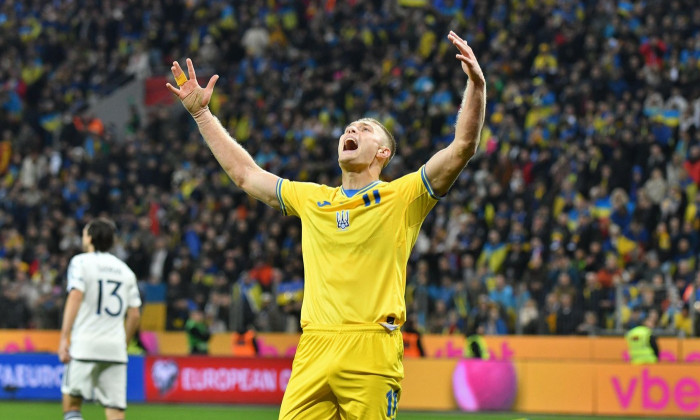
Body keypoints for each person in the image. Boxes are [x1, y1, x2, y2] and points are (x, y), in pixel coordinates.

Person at [166, 30, 485, 419]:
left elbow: (462, 148)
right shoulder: (312, 198)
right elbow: (246, 176)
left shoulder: (402, 197)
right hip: (314, 345)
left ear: (382, 153)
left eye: (364, 129)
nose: (351, 131)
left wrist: (476, 87)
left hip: (371, 346)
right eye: (349, 127)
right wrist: (202, 114)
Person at [58, 218, 142, 420]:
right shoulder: (125, 271)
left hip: (85, 345)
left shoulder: (80, 262)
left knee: (72, 404)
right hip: (115, 350)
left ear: (90, 238)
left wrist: (64, 337)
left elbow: (76, 296)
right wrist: (123, 343)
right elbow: (134, 314)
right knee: (115, 411)